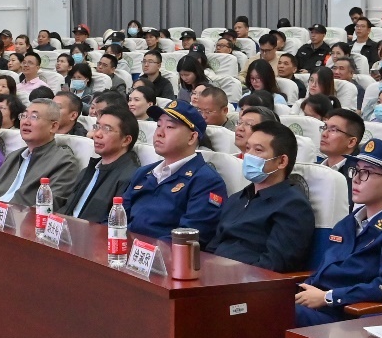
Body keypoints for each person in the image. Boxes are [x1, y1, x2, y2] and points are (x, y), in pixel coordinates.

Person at [295, 139, 382, 325]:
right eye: (356, 170)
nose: (355, 179)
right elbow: (325, 269)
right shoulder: (347, 223)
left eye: (366, 173)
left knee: (272, 313)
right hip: (316, 304)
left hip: (347, 315)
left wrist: (329, 297)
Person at [204, 121, 315, 271]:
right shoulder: (237, 198)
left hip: (249, 280)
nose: (248, 155)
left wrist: (229, 274)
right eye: (247, 148)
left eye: (258, 150)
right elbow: (212, 249)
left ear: (281, 161)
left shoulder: (293, 205)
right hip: (214, 275)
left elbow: (274, 265)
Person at [122, 101, 228, 241]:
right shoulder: (143, 173)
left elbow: (190, 236)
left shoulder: (206, 181)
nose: (159, 133)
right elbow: (118, 217)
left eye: (170, 127)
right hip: (125, 248)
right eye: (158, 125)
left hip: (164, 252)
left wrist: (141, 248)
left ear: (192, 137)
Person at [0, 99, 80, 208]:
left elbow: (47, 207)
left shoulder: (64, 162)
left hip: (20, 217)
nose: (26, 122)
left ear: (53, 126)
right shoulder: (13, 156)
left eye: (34, 117)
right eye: (24, 116)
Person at [63, 107, 141, 223]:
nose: (97, 134)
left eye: (107, 129)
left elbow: (114, 223)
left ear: (126, 140)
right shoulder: (88, 170)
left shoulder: (130, 177)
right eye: (97, 127)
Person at [317, 108, 363, 184]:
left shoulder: (357, 177)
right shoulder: (313, 168)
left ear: (351, 142)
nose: (324, 134)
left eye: (333, 130)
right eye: (325, 128)